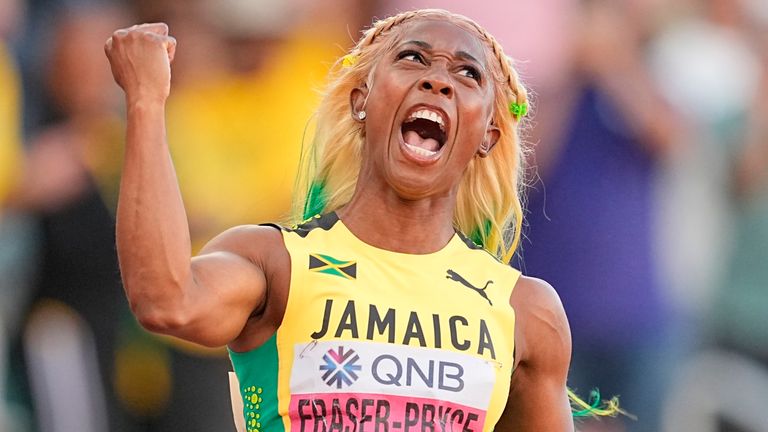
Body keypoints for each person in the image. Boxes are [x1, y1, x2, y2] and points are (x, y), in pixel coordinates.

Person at [104, 9, 613, 431]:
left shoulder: (525, 310)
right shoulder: (276, 263)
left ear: (488, 135)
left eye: (467, 73)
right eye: (412, 58)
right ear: (361, 101)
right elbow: (165, 300)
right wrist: (146, 102)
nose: (436, 79)